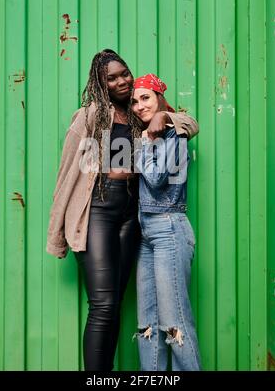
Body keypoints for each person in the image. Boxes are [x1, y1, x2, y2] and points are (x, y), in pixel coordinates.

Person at [46, 50, 199, 371]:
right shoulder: (89, 116)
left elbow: (191, 123)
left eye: (124, 74)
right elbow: (66, 176)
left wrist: (165, 117)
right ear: (100, 83)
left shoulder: (136, 114)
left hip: (133, 216)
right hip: (97, 213)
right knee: (102, 305)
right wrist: (57, 235)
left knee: (114, 304)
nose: (121, 81)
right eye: (111, 78)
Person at [131, 73, 201, 371]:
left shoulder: (175, 133)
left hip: (169, 228)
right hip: (145, 230)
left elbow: (158, 179)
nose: (138, 106)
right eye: (134, 101)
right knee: (147, 323)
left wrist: (146, 142)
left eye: (145, 97)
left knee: (175, 322)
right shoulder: (147, 132)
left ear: (160, 97)